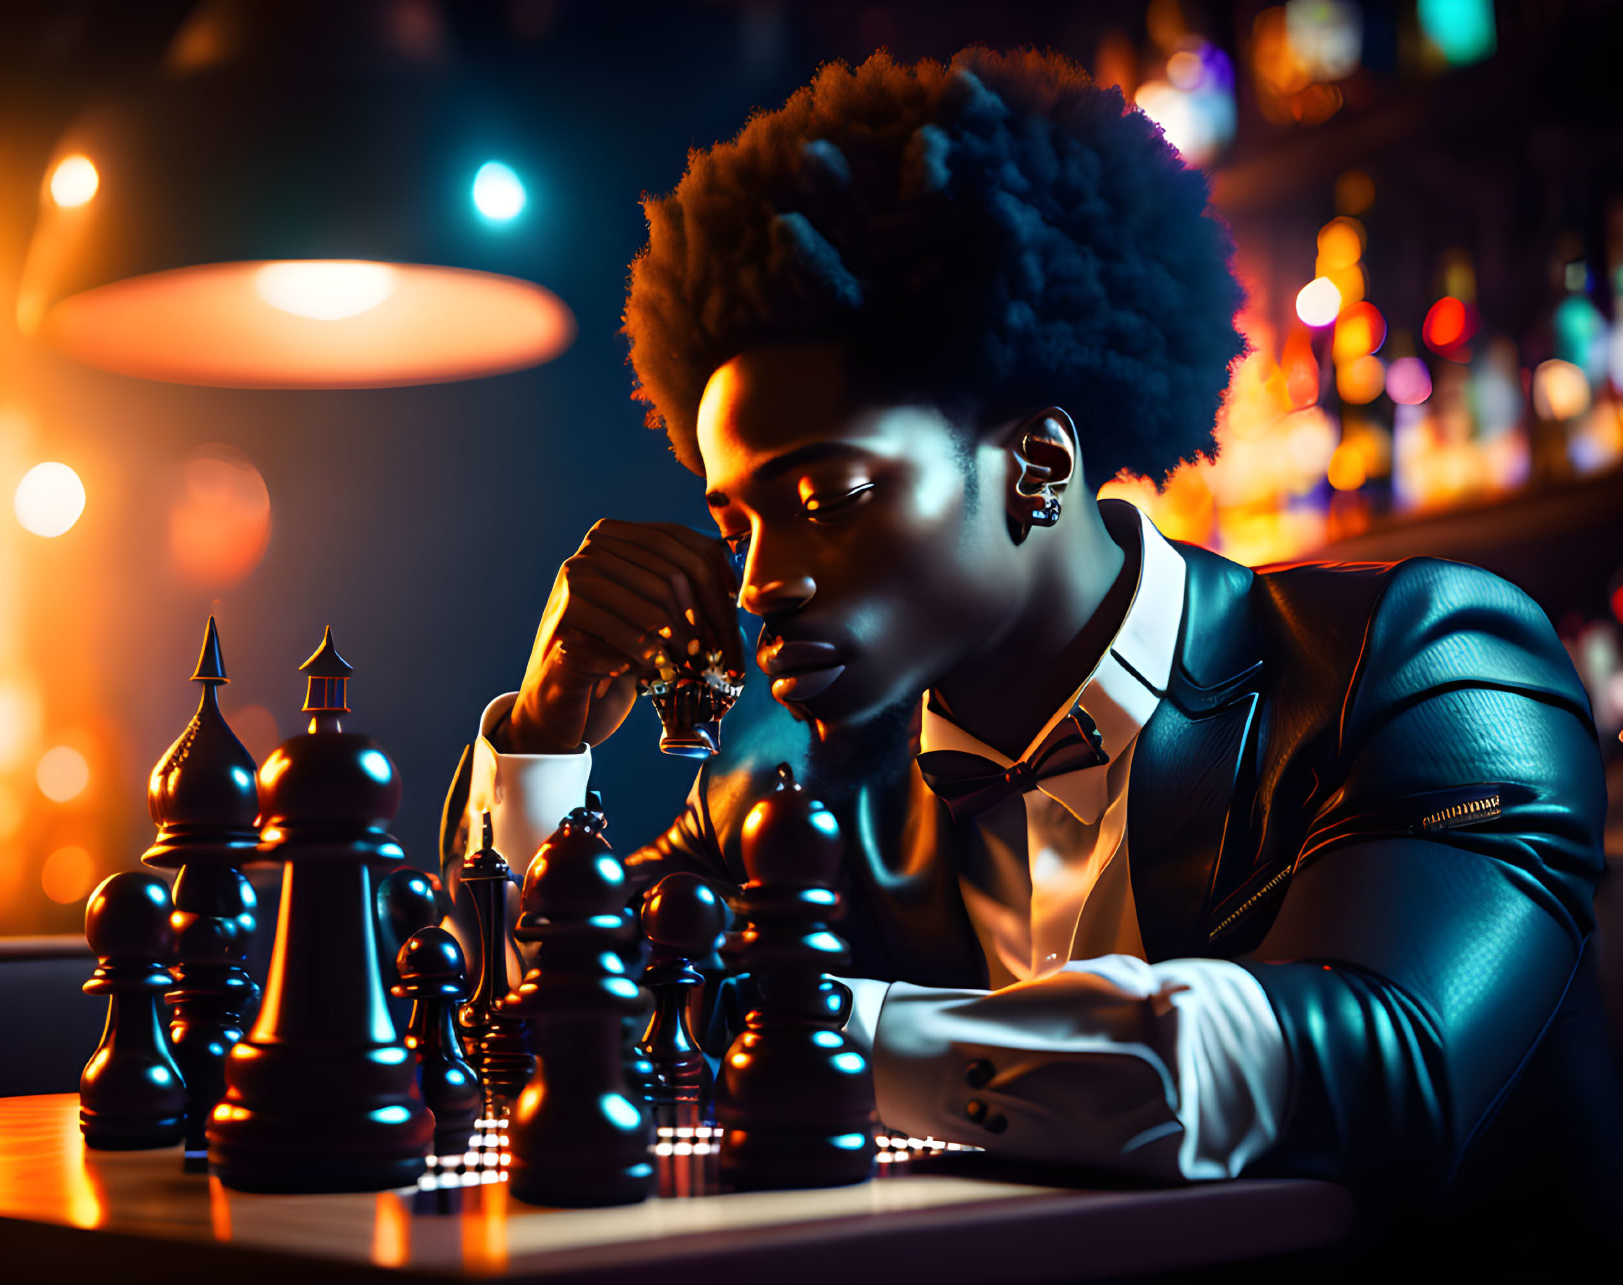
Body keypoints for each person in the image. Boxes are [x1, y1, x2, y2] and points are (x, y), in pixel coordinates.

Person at [441, 45, 1616, 1255]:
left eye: (827, 495)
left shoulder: (1426, 663)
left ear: (1040, 468)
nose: (758, 582)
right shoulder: (784, 780)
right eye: (735, 520)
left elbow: (1363, 1065)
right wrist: (544, 735)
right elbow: (521, 1042)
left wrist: (798, 1023)